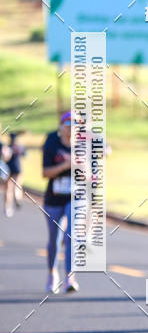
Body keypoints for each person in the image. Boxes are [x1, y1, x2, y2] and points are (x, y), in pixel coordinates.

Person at [42, 111, 78, 293]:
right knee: (54, 240)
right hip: (53, 198)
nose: (71, 128)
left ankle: (70, 277)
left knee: (70, 236)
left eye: (75, 124)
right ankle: (52, 273)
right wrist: (65, 165)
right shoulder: (52, 143)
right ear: (61, 126)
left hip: (74, 197)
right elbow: (45, 173)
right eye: (68, 124)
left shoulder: (82, 146)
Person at [3, 130, 26, 217]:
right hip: (11, 170)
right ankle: (11, 202)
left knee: (12, 187)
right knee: (12, 188)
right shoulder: (13, 147)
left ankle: (11, 203)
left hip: (13, 170)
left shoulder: (13, 147)